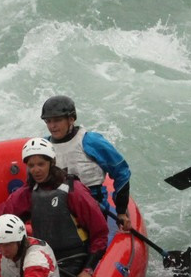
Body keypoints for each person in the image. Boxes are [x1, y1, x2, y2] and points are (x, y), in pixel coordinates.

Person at [0, 138, 109, 277]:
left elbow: (100, 233)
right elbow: (4, 213)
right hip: (44, 257)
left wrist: (88, 269)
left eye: (41, 164)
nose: (36, 170)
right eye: (31, 165)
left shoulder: (73, 190)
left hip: (75, 259)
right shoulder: (29, 191)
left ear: (51, 162)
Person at [41, 95, 134, 232]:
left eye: (57, 120)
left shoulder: (91, 141)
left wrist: (121, 211)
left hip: (93, 209)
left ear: (71, 119)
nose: (52, 126)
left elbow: (121, 172)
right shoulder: (44, 146)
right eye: (48, 121)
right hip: (59, 208)